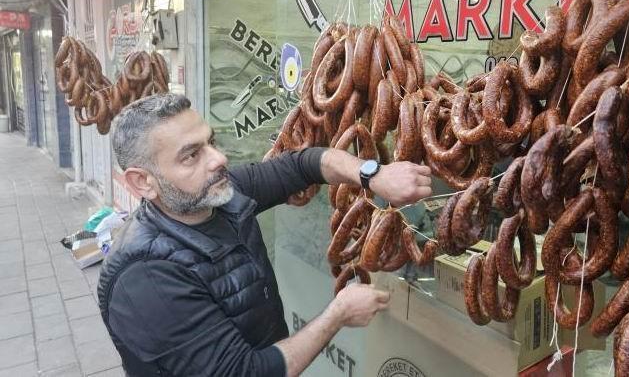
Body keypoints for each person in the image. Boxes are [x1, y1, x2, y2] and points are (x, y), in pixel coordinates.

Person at [97, 94, 433, 376]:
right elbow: (246, 372)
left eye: (210, 142)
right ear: (143, 182)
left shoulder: (221, 194)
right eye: (191, 155)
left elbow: (301, 165)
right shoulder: (145, 277)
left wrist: (372, 174)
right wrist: (338, 314)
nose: (219, 159)